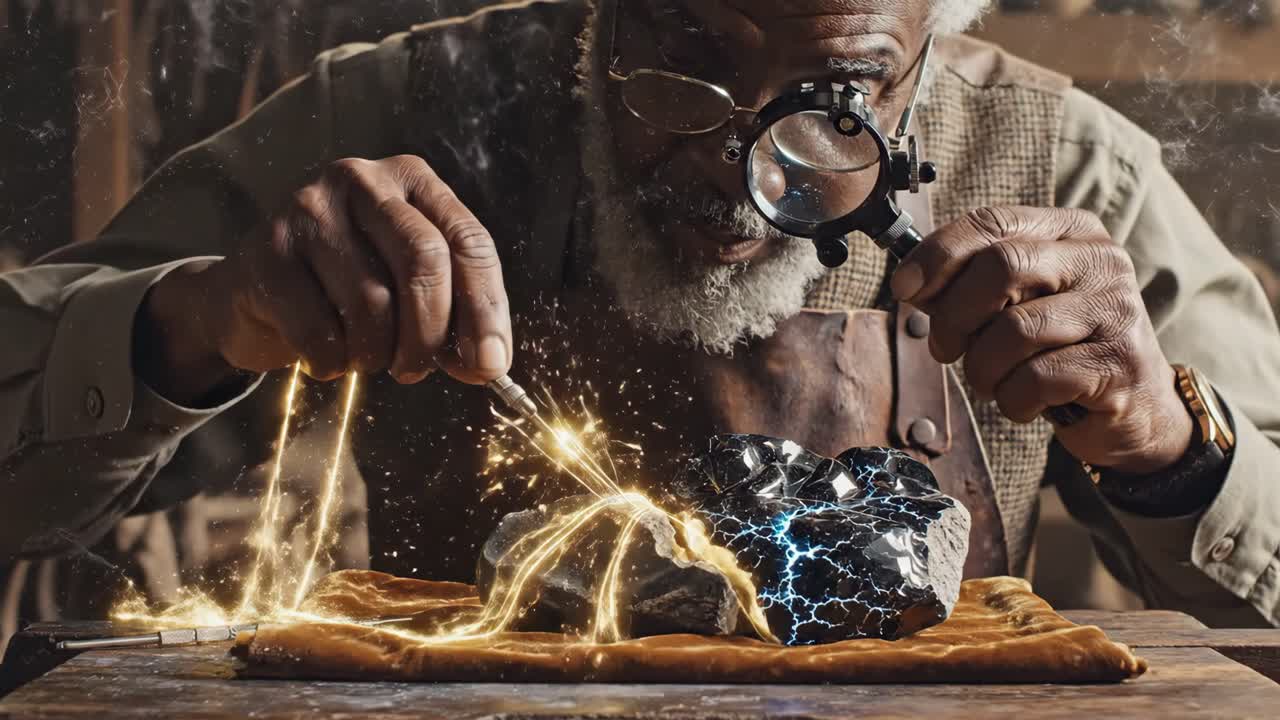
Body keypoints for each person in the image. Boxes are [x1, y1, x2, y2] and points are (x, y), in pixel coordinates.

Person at [2, 0, 1278, 630]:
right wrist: (203, 319)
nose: (737, 165)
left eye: (838, 97)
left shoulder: (1061, 166)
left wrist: (1171, 447)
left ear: (929, 51)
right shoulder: (408, 108)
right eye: (682, 57)